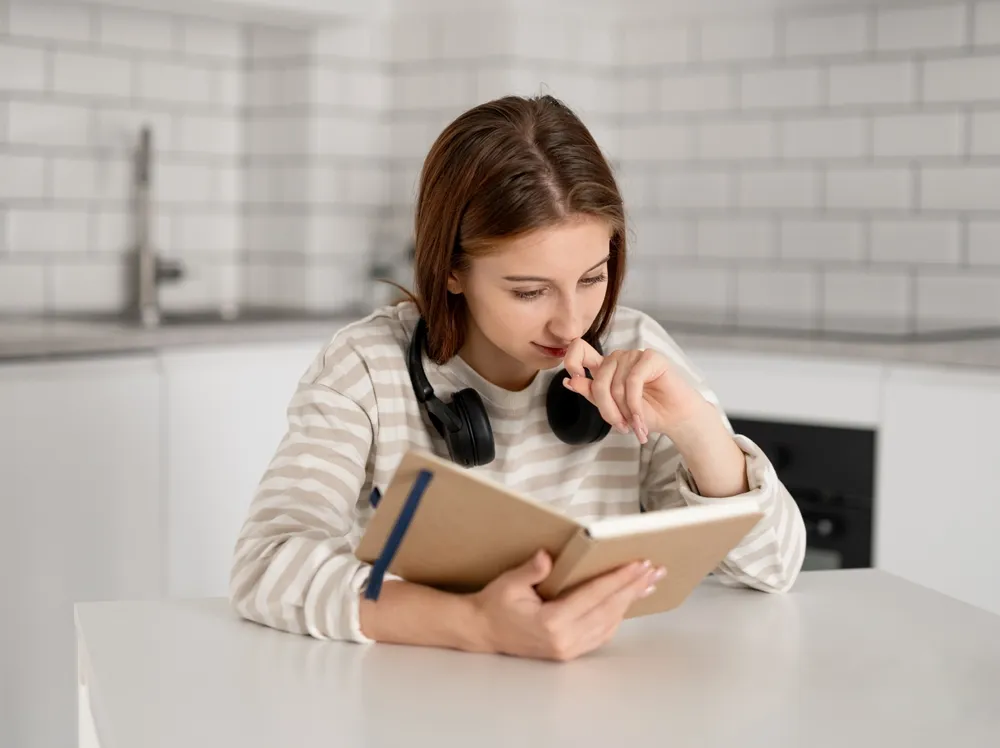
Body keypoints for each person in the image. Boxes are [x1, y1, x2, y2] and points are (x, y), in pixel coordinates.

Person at [229, 94, 807, 662]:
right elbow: (266, 564)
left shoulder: (636, 351)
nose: (571, 322)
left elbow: (773, 567)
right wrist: (476, 624)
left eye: (592, 278)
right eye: (530, 291)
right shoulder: (365, 367)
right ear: (451, 270)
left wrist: (695, 427)